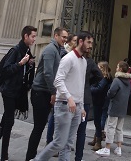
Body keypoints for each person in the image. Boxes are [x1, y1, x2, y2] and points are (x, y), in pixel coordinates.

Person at [29, 30, 93, 161]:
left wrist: (81, 106)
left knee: (68, 144)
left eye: (92, 43)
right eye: (89, 42)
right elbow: (58, 80)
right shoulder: (68, 59)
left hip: (76, 107)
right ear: (80, 42)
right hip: (64, 105)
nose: (91, 45)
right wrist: (69, 98)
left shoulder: (84, 62)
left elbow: (80, 85)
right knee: (59, 142)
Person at [25, 27, 68, 161]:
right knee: (38, 127)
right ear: (56, 35)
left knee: (40, 126)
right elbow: (48, 73)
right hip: (40, 92)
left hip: (44, 92)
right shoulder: (50, 50)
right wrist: (53, 92)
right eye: (63, 37)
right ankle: (30, 157)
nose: (65, 40)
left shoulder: (57, 50)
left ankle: (32, 157)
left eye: (66, 37)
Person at [0, 25, 37, 161]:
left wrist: (29, 64)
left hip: (17, 91)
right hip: (8, 90)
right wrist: (21, 63)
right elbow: (6, 69)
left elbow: (24, 72)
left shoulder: (26, 50)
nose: (34, 39)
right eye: (32, 36)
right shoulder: (15, 50)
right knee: (9, 121)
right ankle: (4, 155)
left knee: (5, 121)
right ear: (25, 36)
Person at [95, 60, 131, 157]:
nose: (116, 68)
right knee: (119, 128)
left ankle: (107, 148)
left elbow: (111, 92)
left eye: (117, 67)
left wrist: (109, 95)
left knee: (111, 127)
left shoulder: (117, 80)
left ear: (120, 69)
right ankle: (119, 147)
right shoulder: (128, 81)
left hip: (115, 106)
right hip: (123, 107)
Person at [74, 38, 103, 161]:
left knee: (68, 128)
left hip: (73, 96)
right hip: (84, 98)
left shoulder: (73, 59)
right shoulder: (90, 62)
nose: (90, 46)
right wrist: (89, 84)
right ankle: (78, 157)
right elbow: (100, 76)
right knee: (81, 129)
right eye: (89, 43)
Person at [46, 33, 75, 145]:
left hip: (66, 91)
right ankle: (51, 142)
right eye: (74, 41)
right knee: (54, 117)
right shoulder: (64, 54)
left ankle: (60, 143)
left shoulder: (72, 55)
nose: (76, 43)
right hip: (61, 91)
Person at [89, 61, 113, 150]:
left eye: (98, 67)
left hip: (101, 101)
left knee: (98, 121)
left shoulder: (105, 78)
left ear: (103, 68)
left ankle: (98, 141)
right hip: (100, 101)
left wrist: (89, 88)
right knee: (98, 120)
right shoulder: (102, 77)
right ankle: (96, 139)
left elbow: (99, 89)